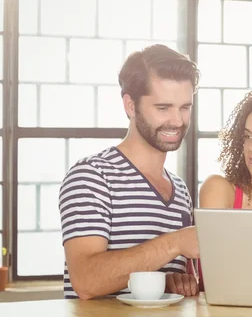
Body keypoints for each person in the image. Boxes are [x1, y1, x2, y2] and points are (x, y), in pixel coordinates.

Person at [59, 44, 201, 300]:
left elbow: (156, 282)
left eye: (184, 107)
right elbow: (87, 281)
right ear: (130, 106)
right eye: (163, 108)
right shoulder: (91, 176)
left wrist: (172, 281)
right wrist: (175, 243)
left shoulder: (179, 190)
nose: (177, 120)